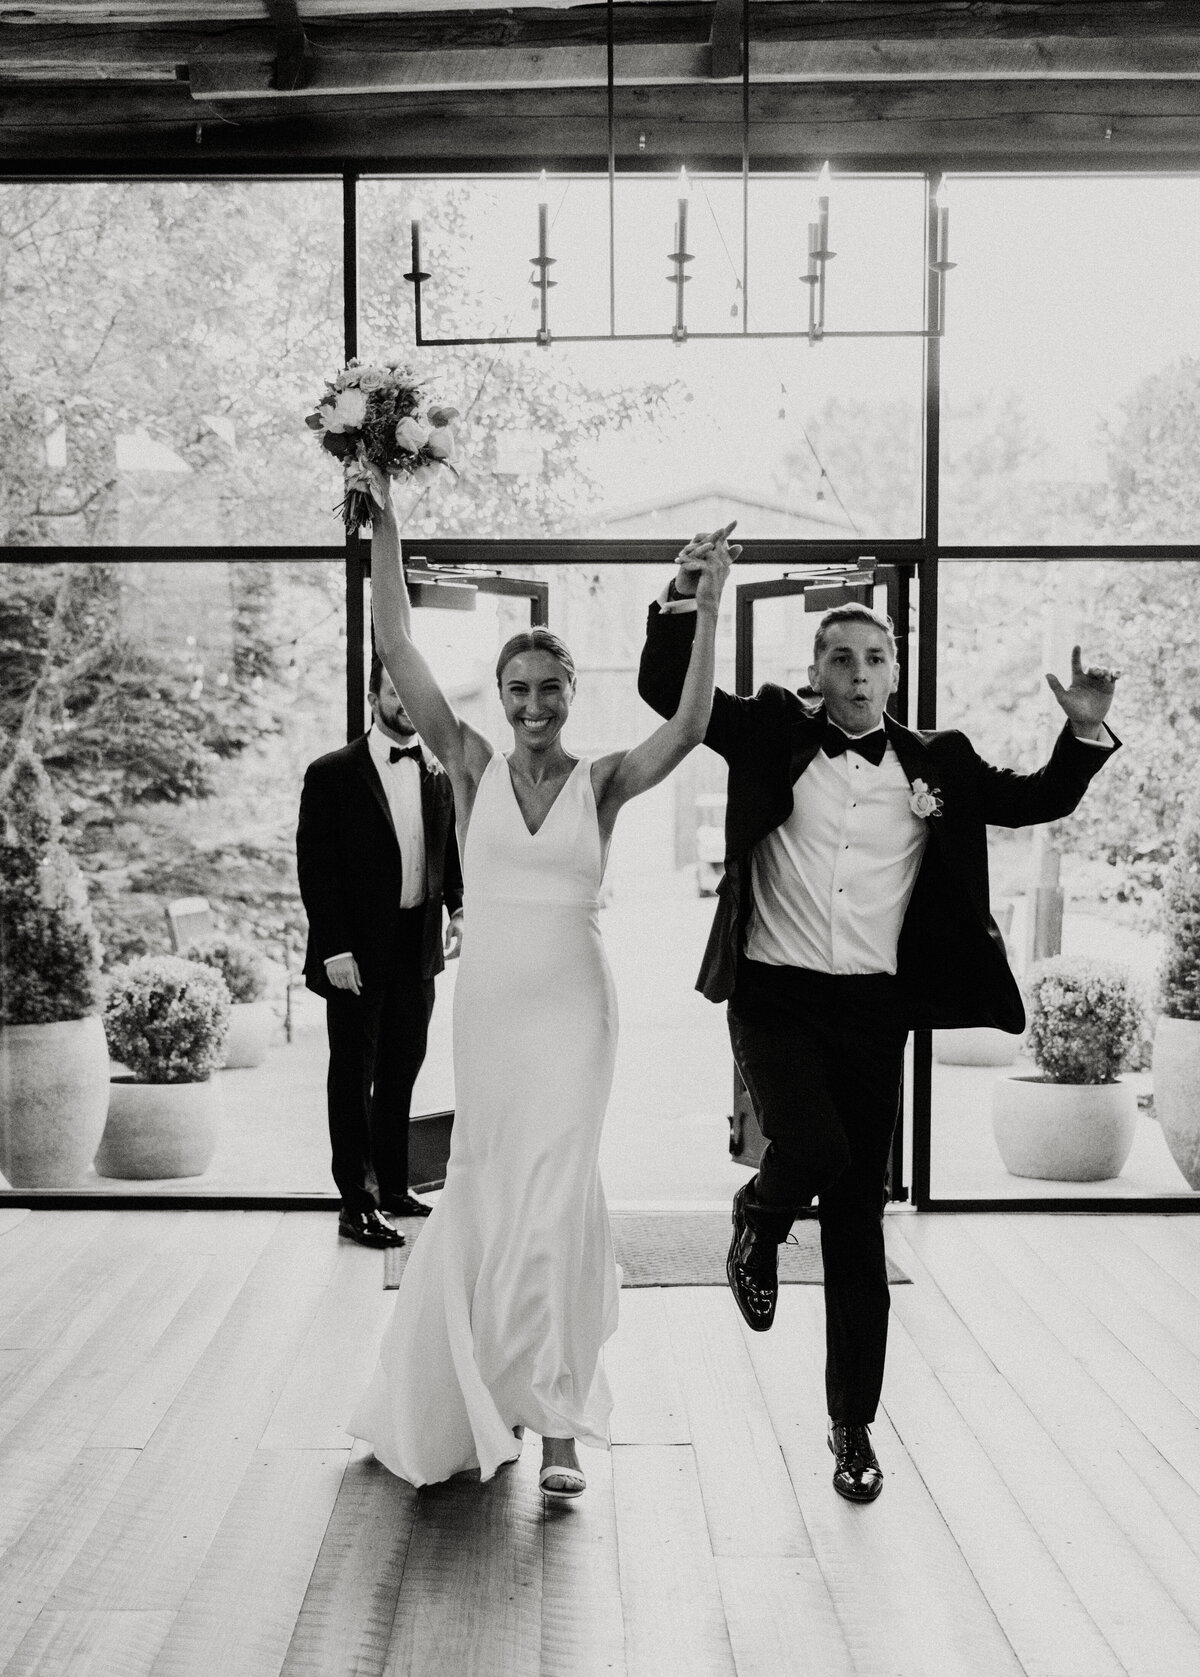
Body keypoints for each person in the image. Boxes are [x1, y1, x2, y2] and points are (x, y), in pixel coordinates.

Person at [638, 533, 1120, 1504]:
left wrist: (1084, 734)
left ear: (896, 672)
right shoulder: (771, 729)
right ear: (812, 673)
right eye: (840, 659)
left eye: (875, 658)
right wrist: (685, 594)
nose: (859, 674)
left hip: (871, 1011)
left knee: (861, 1219)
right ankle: (757, 1219)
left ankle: (852, 1427)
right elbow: (665, 693)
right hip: (774, 995)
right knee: (809, 1148)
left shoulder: (937, 761)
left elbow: (1032, 803)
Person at [347, 475, 731, 1498]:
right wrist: (384, 515)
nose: (529, 707)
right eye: (516, 690)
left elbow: (691, 726)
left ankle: (559, 1422)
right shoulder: (466, 762)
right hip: (491, 1011)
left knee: (558, 1196)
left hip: (573, 1009)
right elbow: (396, 647)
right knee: (488, 1182)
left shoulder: (603, 781)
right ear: (500, 697)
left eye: (547, 691)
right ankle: (477, 1390)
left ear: (569, 696)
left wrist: (709, 599)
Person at [297, 658, 464, 1250]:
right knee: (353, 1075)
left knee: (402, 1069)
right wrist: (334, 948)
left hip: (416, 948)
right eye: (394, 692)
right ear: (373, 699)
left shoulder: (437, 770)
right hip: (355, 957)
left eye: (412, 694)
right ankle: (357, 1203)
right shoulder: (331, 774)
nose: (405, 703)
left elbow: (448, 847)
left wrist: (458, 907)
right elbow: (317, 872)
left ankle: (393, 1186)